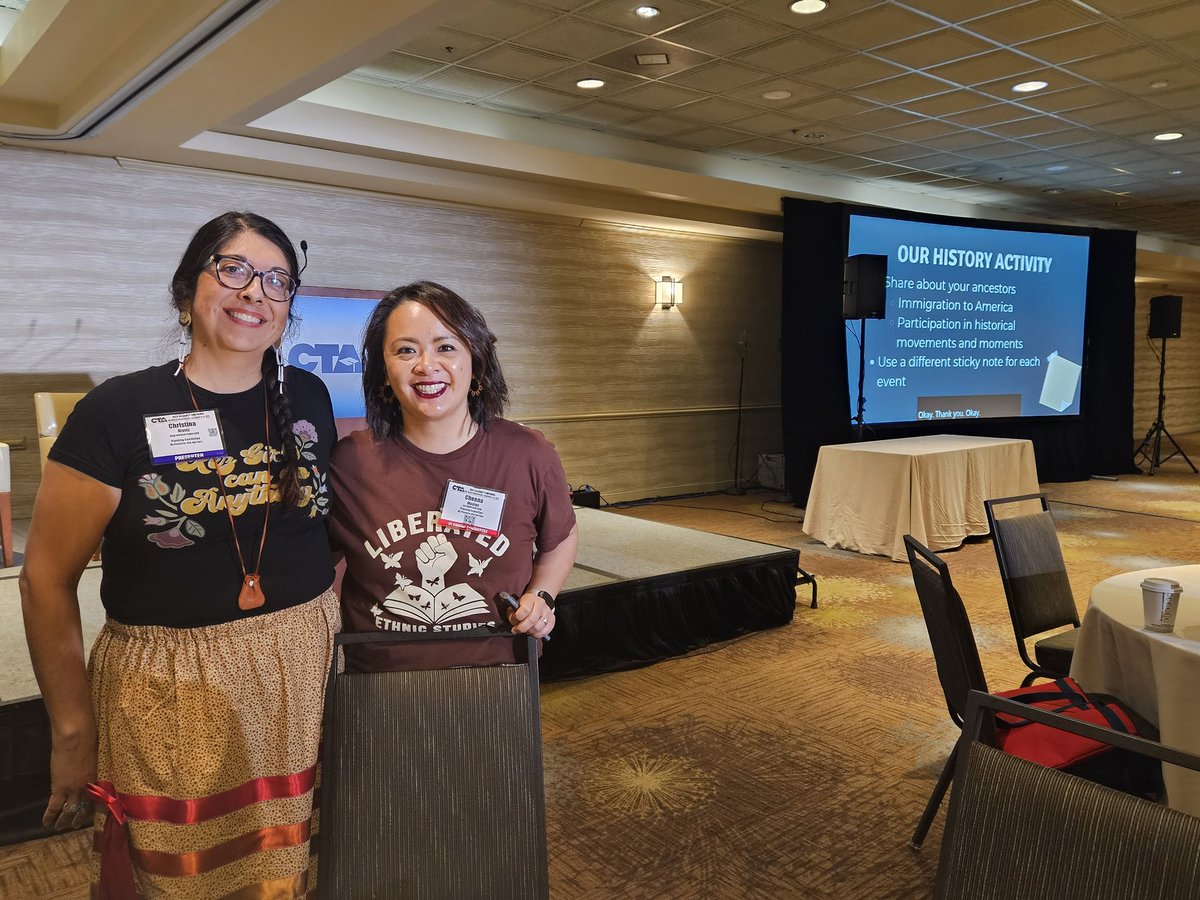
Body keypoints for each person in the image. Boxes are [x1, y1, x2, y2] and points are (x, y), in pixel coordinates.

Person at [19, 211, 339, 898]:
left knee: (296, 871)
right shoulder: (118, 411)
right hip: (173, 692)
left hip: (304, 679)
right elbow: (44, 578)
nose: (255, 292)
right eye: (234, 269)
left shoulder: (308, 396)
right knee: (185, 879)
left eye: (277, 280)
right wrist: (71, 729)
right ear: (186, 288)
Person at [329, 280, 578, 672]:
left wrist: (542, 596)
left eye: (445, 347)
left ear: (475, 362)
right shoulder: (350, 461)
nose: (426, 365)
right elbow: (315, 560)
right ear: (384, 372)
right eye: (405, 350)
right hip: (378, 677)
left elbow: (560, 538)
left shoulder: (527, 453)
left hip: (497, 671)